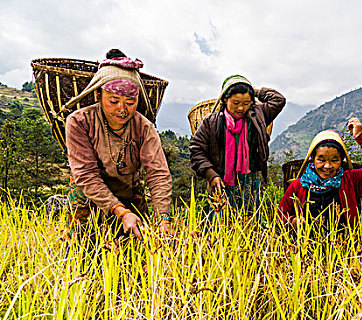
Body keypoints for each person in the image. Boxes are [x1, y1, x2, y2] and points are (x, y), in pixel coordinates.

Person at [65, 49, 173, 239]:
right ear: (98, 94)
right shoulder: (79, 121)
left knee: (136, 249)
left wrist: (163, 219)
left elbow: (158, 174)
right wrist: (120, 211)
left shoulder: (144, 127)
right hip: (89, 195)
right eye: (114, 101)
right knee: (83, 248)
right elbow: (85, 174)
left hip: (129, 191)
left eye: (130, 102)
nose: (122, 109)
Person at [278, 117, 362, 233]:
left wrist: (359, 136)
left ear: (341, 160)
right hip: (305, 249)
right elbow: (280, 216)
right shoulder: (298, 185)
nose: (327, 166)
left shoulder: (351, 180)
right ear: (313, 158)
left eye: (334, 160)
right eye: (321, 160)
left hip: (345, 247)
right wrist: (293, 221)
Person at [189, 75, 285, 212]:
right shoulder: (210, 122)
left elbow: (279, 100)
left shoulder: (258, 116)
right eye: (236, 103)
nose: (241, 108)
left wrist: (253, 91)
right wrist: (211, 174)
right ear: (225, 99)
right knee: (219, 226)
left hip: (250, 183)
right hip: (220, 182)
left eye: (246, 103)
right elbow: (196, 150)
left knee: (249, 224)